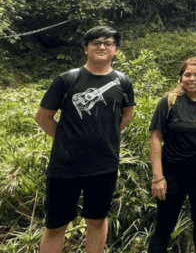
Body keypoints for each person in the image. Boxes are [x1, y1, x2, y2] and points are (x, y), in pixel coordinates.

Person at [35, 26, 136, 253]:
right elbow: (43, 117)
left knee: (97, 220)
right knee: (56, 225)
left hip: (104, 164)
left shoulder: (123, 81)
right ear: (85, 49)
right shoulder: (66, 79)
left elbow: (127, 114)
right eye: (95, 42)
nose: (102, 46)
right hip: (65, 165)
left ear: (116, 50)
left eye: (108, 43)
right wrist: (68, 138)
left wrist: (105, 135)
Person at [148, 57, 196, 253]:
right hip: (172, 172)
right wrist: (157, 177)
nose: (192, 79)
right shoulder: (169, 102)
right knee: (164, 225)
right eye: (188, 75)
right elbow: (155, 138)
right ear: (181, 77)